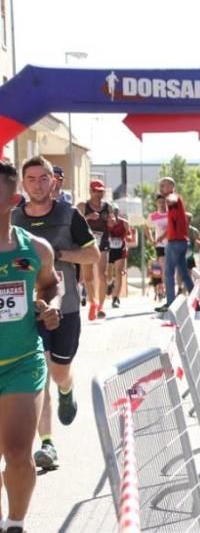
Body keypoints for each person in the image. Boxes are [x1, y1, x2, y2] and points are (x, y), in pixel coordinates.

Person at [14, 156, 99, 474]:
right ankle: (47, 443)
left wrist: (55, 254)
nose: (37, 184)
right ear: (23, 184)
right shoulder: (11, 219)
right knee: (42, 371)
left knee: (59, 371)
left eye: (43, 178)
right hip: (26, 311)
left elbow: (93, 255)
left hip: (66, 307)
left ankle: (68, 390)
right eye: (31, 179)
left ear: (53, 182)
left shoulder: (69, 215)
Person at [0, 158, 65, 533]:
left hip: (22, 361)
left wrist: (51, 305)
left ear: (12, 199)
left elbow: (51, 285)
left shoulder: (35, 248)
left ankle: (14, 526)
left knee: (19, 453)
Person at [155, 177, 195, 313]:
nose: (161, 188)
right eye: (160, 186)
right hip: (181, 241)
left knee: (168, 273)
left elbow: (172, 198)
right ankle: (197, 303)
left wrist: (168, 199)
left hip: (175, 243)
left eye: (164, 185)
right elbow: (173, 225)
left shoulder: (173, 197)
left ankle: (170, 303)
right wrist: (162, 236)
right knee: (184, 274)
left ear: (172, 186)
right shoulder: (174, 204)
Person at [77, 180, 111, 320]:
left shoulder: (107, 207)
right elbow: (75, 223)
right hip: (87, 244)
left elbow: (111, 220)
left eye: (101, 191)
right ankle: (93, 302)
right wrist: (88, 217)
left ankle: (101, 306)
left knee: (102, 275)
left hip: (102, 242)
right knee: (88, 276)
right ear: (90, 191)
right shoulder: (82, 206)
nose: (98, 194)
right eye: (96, 191)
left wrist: (112, 221)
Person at [104, 204, 132, 308]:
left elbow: (129, 234)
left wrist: (127, 238)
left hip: (120, 248)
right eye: (111, 211)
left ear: (117, 212)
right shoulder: (105, 223)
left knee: (119, 272)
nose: (113, 213)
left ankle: (115, 298)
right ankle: (110, 283)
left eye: (115, 211)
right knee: (108, 272)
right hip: (109, 249)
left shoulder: (124, 223)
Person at [147, 193, 169, 300]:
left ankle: (168, 287)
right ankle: (164, 289)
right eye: (160, 202)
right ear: (156, 203)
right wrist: (152, 239)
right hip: (160, 245)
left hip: (171, 244)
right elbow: (147, 228)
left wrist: (162, 236)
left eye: (164, 202)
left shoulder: (170, 214)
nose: (162, 204)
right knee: (163, 267)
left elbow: (171, 229)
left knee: (170, 268)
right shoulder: (153, 216)